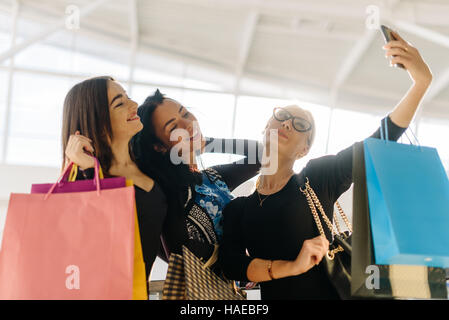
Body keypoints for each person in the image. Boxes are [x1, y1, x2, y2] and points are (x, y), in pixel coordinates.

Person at [218, 31, 433, 299]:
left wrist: (421, 83)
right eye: (283, 116)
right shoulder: (238, 209)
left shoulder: (317, 178)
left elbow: (373, 145)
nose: (287, 124)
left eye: (300, 125)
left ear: (303, 150)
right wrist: (290, 267)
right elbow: (231, 265)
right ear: (266, 127)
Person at [131, 90, 263, 270]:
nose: (187, 124)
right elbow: (180, 251)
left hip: (232, 288)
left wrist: (205, 143)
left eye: (185, 113)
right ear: (159, 146)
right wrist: (235, 259)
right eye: (173, 127)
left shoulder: (212, 177)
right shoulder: (168, 190)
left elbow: (262, 155)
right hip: (202, 292)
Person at [62, 76, 167, 296]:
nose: (133, 105)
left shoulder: (148, 165)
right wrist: (90, 171)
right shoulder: (85, 182)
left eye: (128, 97)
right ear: (97, 122)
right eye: (120, 103)